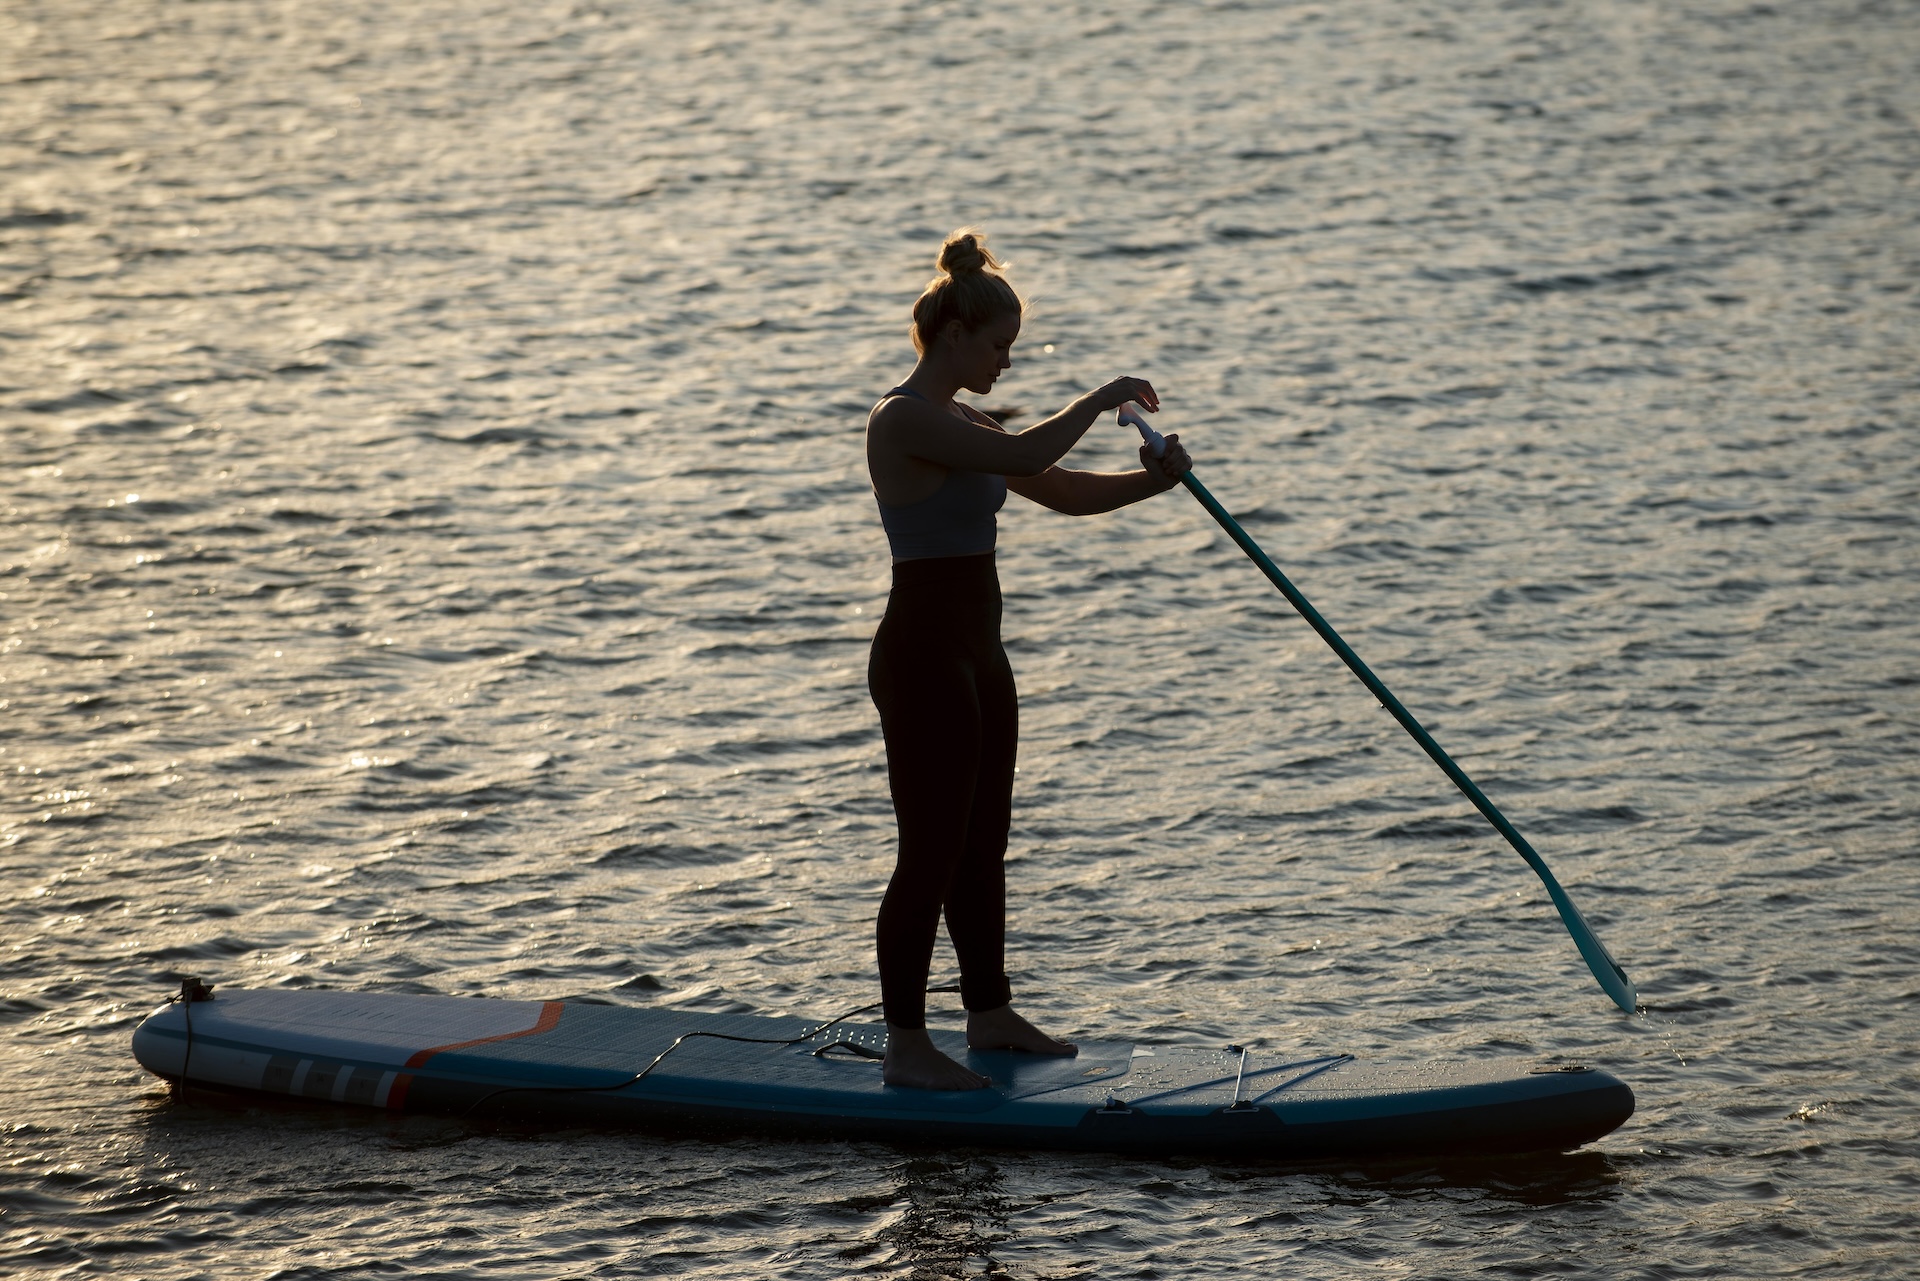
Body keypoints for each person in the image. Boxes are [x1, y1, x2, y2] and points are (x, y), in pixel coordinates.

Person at [865, 228, 1192, 1090]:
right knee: (930, 853)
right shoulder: (902, 419)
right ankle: (906, 1046)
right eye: (1000, 345)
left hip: (981, 654)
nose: (1007, 361)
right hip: (923, 657)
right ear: (956, 334)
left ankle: (990, 1012)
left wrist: (1154, 483)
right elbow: (1026, 454)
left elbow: (1064, 489)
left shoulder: (966, 419)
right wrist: (1102, 397)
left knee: (984, 844)